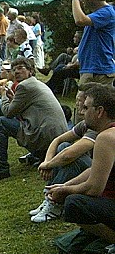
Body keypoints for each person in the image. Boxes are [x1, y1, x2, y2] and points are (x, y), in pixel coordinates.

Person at [47, 83, 115, 254]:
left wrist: (64, 191)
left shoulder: (106, 138)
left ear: (100, 111)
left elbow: (94, 188)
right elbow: (95, 169)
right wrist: (65, 184)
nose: (82, 112)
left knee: (75, 204)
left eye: (86, 108)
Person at [0, 57, 69, 183]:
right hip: (56, 135)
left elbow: (8, 112)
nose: (16, 72)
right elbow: (21, 110)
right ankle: (39, 155)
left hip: (45, 135)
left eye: (20, 68)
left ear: (30, 71)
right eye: (14, 69)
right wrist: (12, 99)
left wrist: (3, 95)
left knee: (0, 123)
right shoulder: (35, 83)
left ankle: (0, 170)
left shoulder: (24, 86)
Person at [29, 88, 95, 223]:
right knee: (63, 146)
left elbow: (69, 156)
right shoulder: (85, 124)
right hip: (92, 170)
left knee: (73, 158)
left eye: (82, 103)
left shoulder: (97, 128)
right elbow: (57, 140)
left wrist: (48, 164)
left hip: (99, 174)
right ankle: (51, 195)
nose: (78, 106)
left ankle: (55, 202)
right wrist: (47, 162)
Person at [71, 0, 115, 86]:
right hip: (93, 69)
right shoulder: (98, 14)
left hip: (98, 72)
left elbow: (80, 20)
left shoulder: (107, 13)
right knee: (83, 102)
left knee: (88, 102)